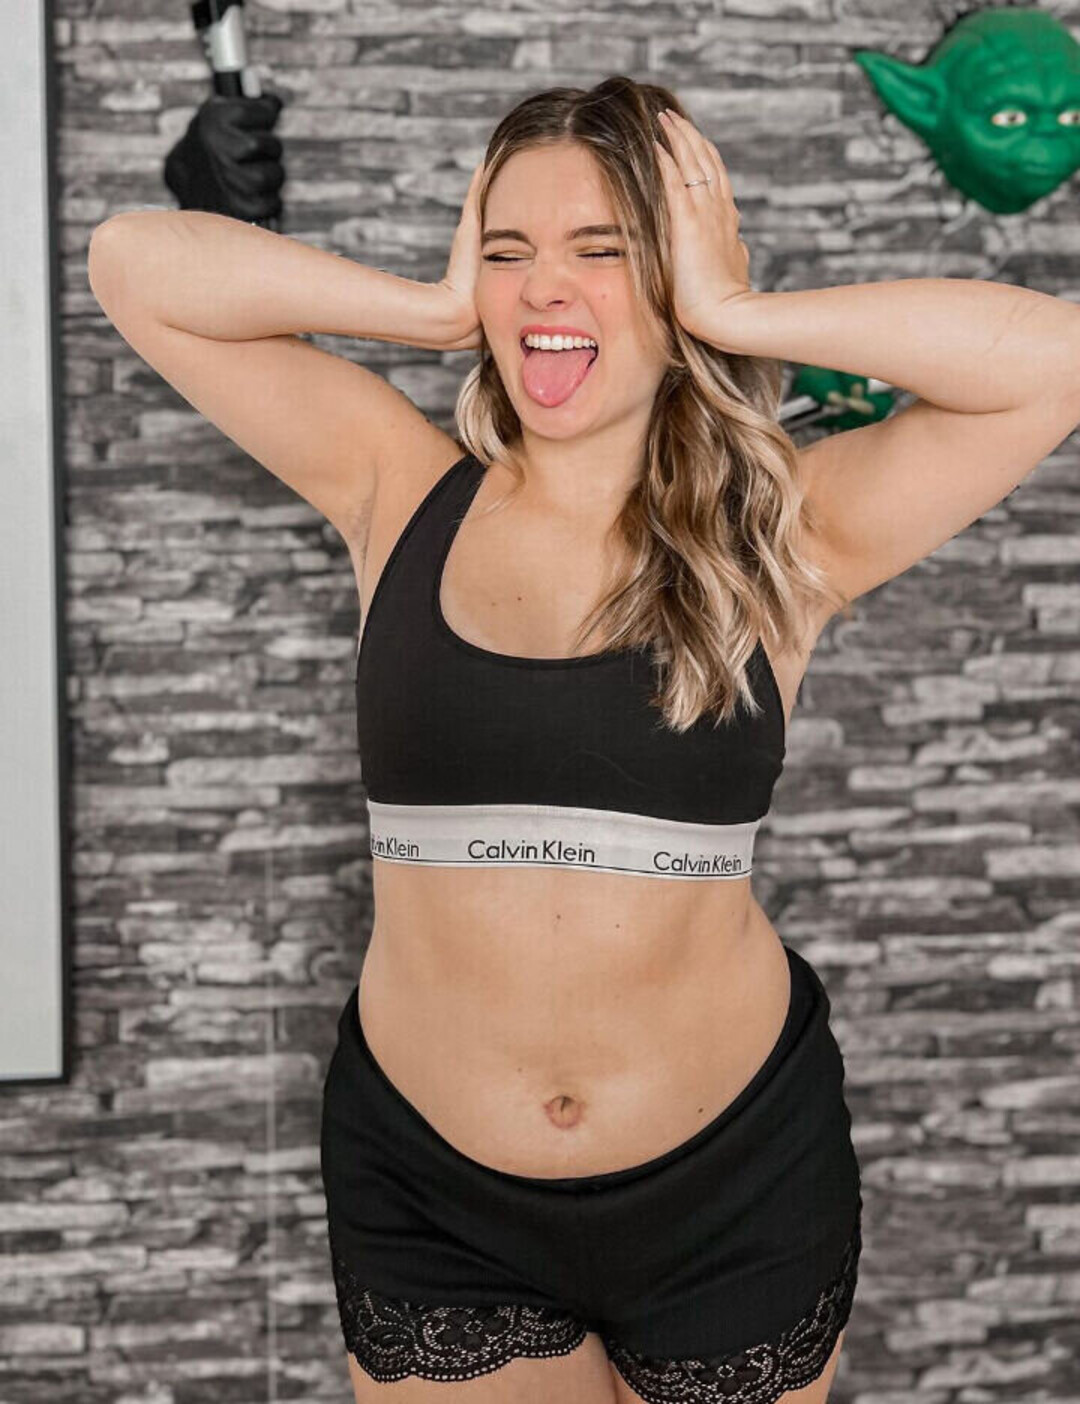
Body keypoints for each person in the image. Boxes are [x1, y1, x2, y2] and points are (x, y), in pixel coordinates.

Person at [87, 73, 1080, 1404]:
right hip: (433, 1202)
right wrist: (432, 307)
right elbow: (131, 264)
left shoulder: (783, 534)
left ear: (672, 275)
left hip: (735, 1191)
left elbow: (1057, 362)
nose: (544, 289)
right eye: (510, 251)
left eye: (603, 250)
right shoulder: (395, 484)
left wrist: (734, 311)